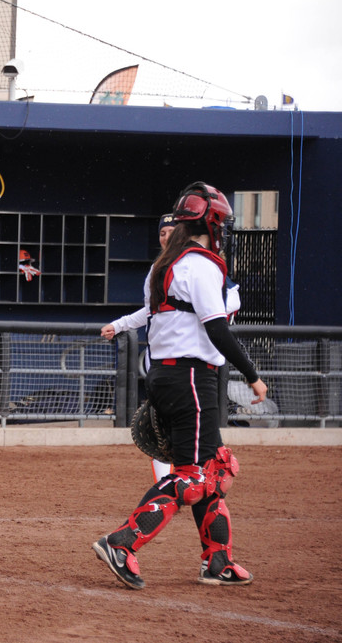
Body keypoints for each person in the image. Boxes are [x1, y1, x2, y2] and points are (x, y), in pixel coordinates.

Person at [92, 181, 266, 590]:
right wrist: (253, 375)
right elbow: (218, 330)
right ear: (211, 223)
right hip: (189, 377)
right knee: (192, 476)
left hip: (171, 375)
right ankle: (122, 542)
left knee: (213, 469)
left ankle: (218, 561)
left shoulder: (166, 265)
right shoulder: (201, 264)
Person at [102, 213, 241, 481]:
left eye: (171, 231)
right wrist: (120, 325)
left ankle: (185, 486)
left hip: (195, 365)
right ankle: (174, 486)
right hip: (165, 364)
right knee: (161, 432)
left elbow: (233, 295)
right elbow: (151, 309)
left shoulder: (202, 266)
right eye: (162, 233)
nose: (166, 237)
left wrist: (209, 309)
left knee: (203, 444)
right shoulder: (159, 268)